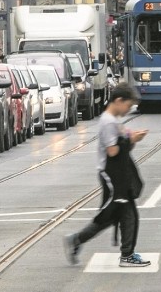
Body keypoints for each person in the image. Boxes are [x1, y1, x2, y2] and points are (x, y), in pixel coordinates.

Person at [64, 85, 150, 267]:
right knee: (123, 214)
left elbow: (121, 148)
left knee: (113, 216)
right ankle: (126, 255)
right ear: (118, 101)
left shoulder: (112, 120)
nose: (128, 110)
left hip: (117, 173)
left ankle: (77, 240)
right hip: (112, 175)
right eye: (128, 106)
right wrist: (131, 140)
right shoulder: (109, 122)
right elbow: (112, 151)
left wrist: (131, 139)